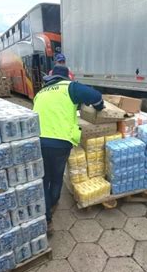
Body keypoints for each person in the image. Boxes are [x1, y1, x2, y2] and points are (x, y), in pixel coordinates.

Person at [33, 65, 104, 226]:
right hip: (60, 143)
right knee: (57, 176)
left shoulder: (40, 93)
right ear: (67, 77)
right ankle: (52, 204)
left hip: (38, 141)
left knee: (44, 178)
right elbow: (96, 96)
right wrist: (99, 107)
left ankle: (46, 219)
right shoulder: (69, 87)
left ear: (50, 77)